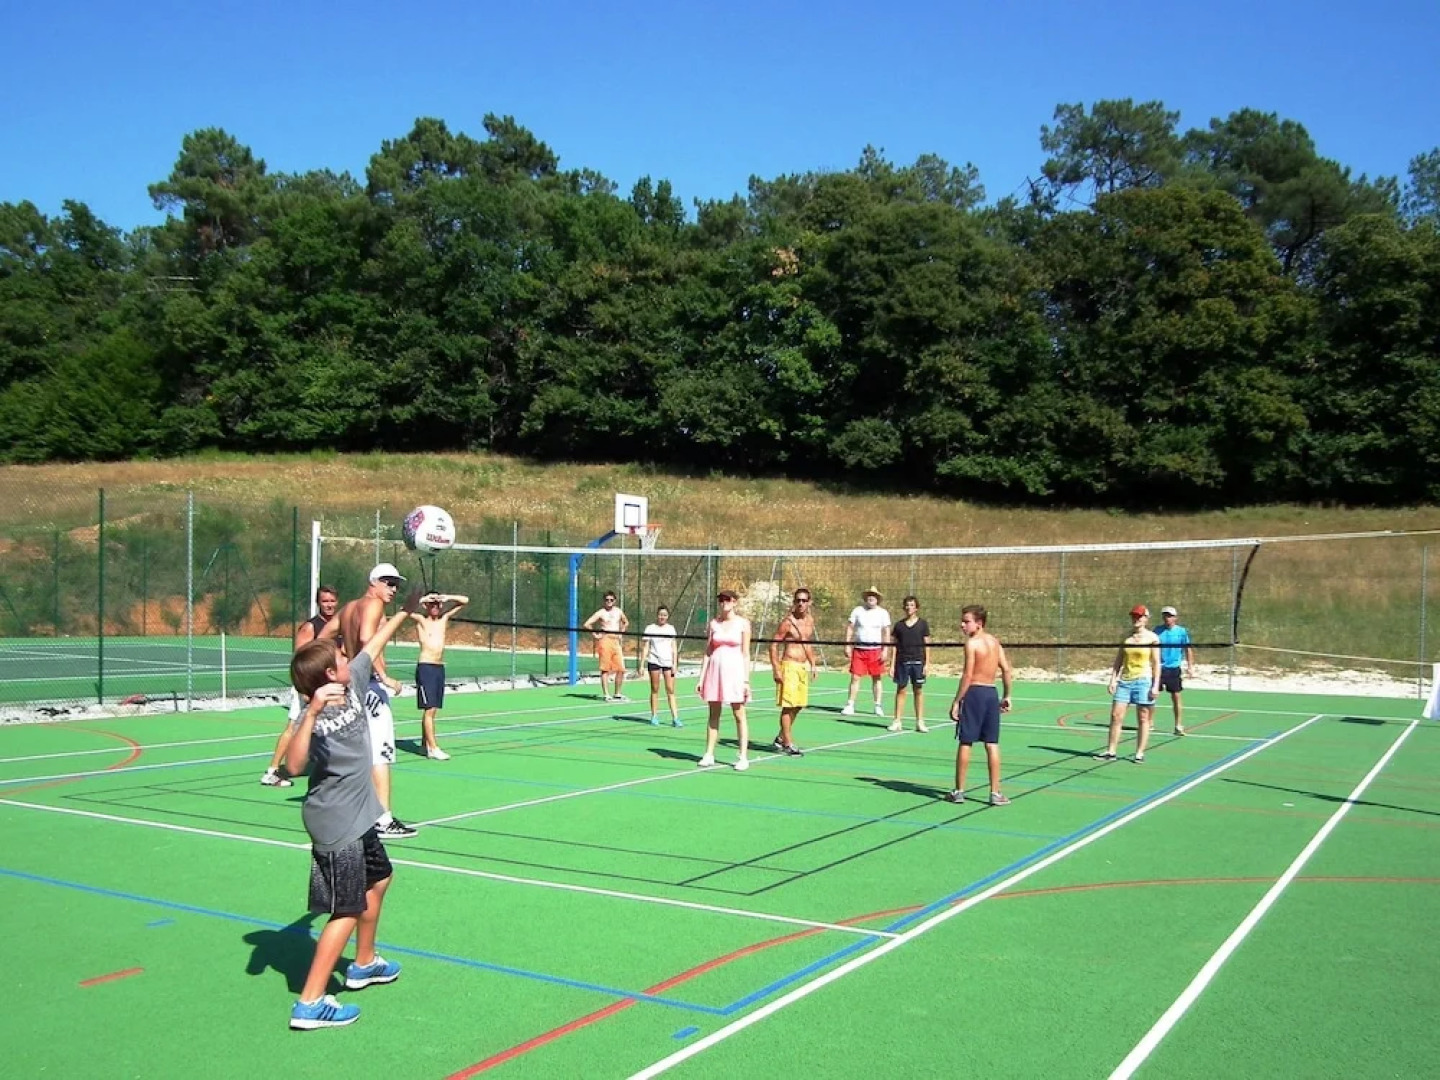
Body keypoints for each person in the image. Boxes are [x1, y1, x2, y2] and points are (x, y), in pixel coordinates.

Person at [286, 586, 421, 1029]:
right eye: (340, 659)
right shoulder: (315, 717)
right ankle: (310, 1002)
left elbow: (375, 643)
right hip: (336, 821)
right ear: (328, 673)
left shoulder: (356, 680)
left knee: (380, 878)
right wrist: (309, 712)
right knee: (345, 909)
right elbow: (294, 765)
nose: (349, 658)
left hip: (360, 814)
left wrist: (403, 613)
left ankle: (363, 963)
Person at [337, 564, 415, 839]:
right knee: (380, 754)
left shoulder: (349, 608)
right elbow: (367, 640)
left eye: (396, 584)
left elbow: (328, 638)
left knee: (358, 753)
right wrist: (384, 676)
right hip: (368, 685)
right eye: (388, 582)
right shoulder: (372, 606)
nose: (393, 589)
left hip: (352, 685)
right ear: (373, 582)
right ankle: (382, 819)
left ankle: (355, 812)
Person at [261, 585, 339, 787]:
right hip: (308, 687)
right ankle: (273, 771)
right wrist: (304, 689)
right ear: (318, 603)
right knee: (293, 727)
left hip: (327, 688)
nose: (329, 605)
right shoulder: (310, 628)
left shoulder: (339, 624)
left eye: (332, 601)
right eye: (325, 601)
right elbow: (300, 661)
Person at [946, 605, 1014, 805]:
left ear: (979, 623)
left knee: (966, 741)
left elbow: (967, 675)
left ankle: (959, 791)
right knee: (991, 743)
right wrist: (1007, 695)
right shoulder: (995, 642)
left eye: (967, 621)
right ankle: (995, 793)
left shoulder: (972, 644)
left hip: (975, 693)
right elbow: (1007, 670)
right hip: (991, 693)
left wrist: (957, 701)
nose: (962, 625)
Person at [409, 592, 470, 760]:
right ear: (426, 606)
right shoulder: (421, 620)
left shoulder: (444, 619)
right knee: (430, 710)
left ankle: (424, 745)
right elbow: (404, 609)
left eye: (437, 604)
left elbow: (465, 601)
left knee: (433, 708)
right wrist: (424, 599)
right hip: (426, 667)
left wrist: (446, 597)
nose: (435, 606)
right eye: (432, 604)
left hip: (438, 667)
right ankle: (433, 748)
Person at [1098, 604, 1161, 763]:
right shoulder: (1126, 637)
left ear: (1146, 618)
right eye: (1134, 616)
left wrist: (1155, 685)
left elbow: (1156, 663)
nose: (1136, 619)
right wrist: (1113, 679)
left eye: (1139, 616)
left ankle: (1139, 752)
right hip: (1125, 681)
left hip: (1143, 681)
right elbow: (1119, 659)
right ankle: (1111, 751)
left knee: (1143, 717)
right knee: (1116, 716)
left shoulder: (1152, 638)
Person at [697, 590, 752, 770]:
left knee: (738, 713)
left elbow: (745, 654)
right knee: (714, 713)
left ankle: (743, 756)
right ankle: (709, 753)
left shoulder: (743, 624)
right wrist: (701, 677)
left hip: (735, 673)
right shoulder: (714, 624)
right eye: (720, 600)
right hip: (715, 672)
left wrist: (746, 681)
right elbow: (708, 652)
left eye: (727, 600)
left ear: (734, 602)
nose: (723, 603)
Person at [768, 587, 818, 756]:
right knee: (788, 706)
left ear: (809, 602)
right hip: (789, 665)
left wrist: (813, 663)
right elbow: (773, 644)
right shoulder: (788, 622)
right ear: (794, 602)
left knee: (799, 705)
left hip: (802, 667)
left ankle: (781, 737)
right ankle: (788, 743)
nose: (801, 604)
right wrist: (776, 669)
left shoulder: (810, 620)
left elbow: (807, 643)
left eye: (804, 601)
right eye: (798, 600)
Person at [841, 587, 891, 717]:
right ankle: (850, 704)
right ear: (865, 597)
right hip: (859, 650)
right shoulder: (858, 611)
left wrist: (885, 649)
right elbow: (850, 628)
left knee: (877, 678)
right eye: (869, 595)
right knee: (855, 677)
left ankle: (877, 705)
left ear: (877, 598)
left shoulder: (883, 613)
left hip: (875, 650)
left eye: (873, 595)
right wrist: (847, 645)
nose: (871, 597)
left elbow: (886, 632)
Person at [889, 595, 931, 733]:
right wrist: (892, 665)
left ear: (916, 608)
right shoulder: (899, 625)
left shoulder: (922, 624)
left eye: (912, 605)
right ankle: (897, 720)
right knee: (901, 689)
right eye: (907, 605)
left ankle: (920, 721)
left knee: (918, 690)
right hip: (902, 661)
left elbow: (927, 644)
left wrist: (927, 663)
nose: (909, 607)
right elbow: (894, 646)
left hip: (918, 661)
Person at [637, 605, 682, 727]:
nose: (662, 617)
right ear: (657, 615)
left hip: (667, 662)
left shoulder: (671, 629)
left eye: (665, 615)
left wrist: (674, 664)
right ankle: (654, 716)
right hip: (654, 661)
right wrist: (641, 665)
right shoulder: (650, 628)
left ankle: (675, 718)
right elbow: (645, 647)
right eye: (660, 614)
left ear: (667, 617)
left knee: (670, 690)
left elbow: (674, 648)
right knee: (655, 689)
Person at [581, 591, 630, 702]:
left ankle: (617, 693)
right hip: (605, 641)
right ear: (604, 601)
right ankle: (606, 694)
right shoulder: (601, 613)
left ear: (615, 601)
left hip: (616, 642)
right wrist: (595, 635)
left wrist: (621, 632)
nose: (609, 602)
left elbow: (626, 622)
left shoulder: (618, 611)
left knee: (621, 669)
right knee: (605, 669)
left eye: (611, 600)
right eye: (607, 600)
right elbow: (587, 624)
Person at [1156, 605, 1195, 736]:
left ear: (1175, 618)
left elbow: (1187, 649)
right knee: (1152, 695)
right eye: (1165, 615)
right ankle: (1149, 723)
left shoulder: (1181, 632)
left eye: (1170, 616)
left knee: (1176, 696)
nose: (1167, 618)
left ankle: (1178, 725)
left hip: (1173, 669)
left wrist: (1190, 666)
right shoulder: (1157, 631)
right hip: (1159, 668)